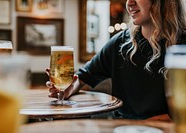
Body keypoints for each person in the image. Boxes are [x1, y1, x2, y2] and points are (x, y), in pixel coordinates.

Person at [46, 0, 186, 119]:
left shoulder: (182, 43)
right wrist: (68, 89)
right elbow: (83, 77)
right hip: (123, 128)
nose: (129, 3)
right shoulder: (120, 43)